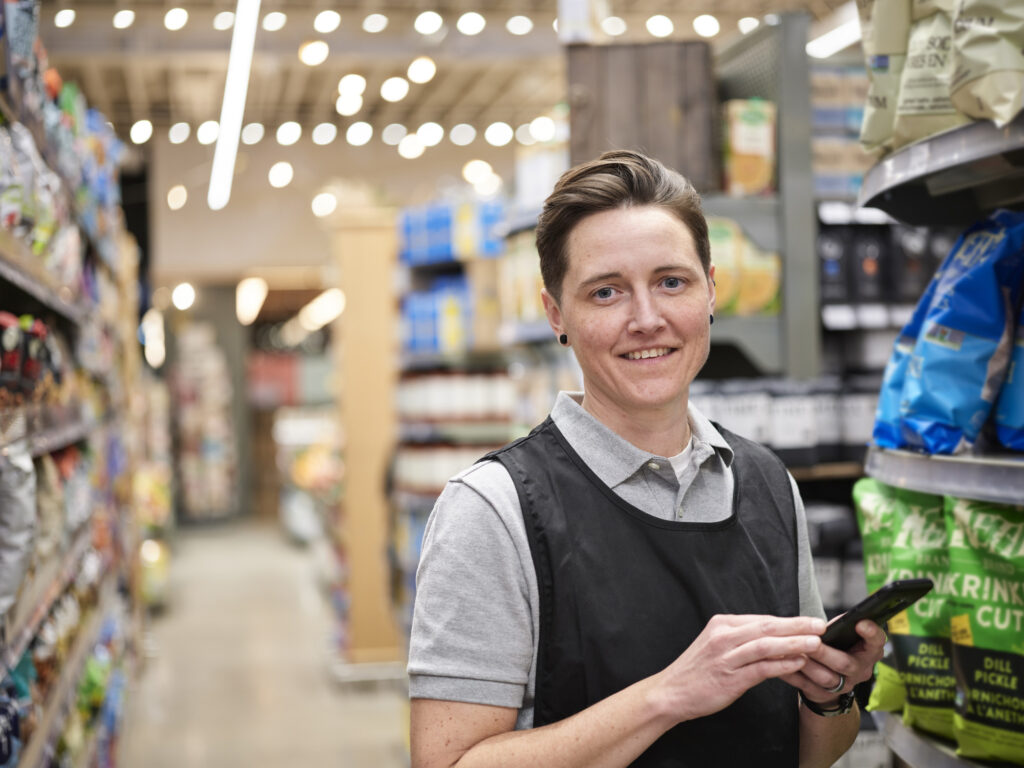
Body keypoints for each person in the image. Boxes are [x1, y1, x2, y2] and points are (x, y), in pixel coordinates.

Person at [407, 150, 885, 768]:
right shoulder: (496, 510)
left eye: (672, 282)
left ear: (711, 289)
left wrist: (832, 692)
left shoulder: (766, 483)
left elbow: (809, 751)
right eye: (606, 292)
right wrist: (670, 695)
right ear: (557, 315)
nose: (647, 319)